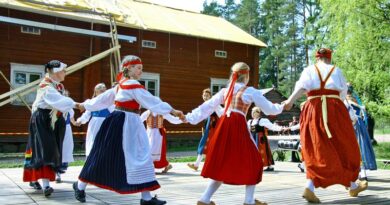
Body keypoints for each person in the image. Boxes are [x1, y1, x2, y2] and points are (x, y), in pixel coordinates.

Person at [73, 55, 184, 205]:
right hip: (125, 124)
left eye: (141, 69)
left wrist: (85, 105)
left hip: (126, 123)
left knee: (106, 156)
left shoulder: (122, 85)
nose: (141, 71)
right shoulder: (130, 84)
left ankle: (146, 197)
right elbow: (151, 101)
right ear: (128, 68)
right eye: (138, 68)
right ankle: (80, 185)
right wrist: (172, 110)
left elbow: (103, 99)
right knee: (139, 155)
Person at [186, 62, 285, 205]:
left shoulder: (225, 91)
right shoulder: (249, 91)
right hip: (238, 126)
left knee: (221, 162)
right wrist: (282, 106)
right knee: (255, 162)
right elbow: (270, 110)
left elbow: (206, 107)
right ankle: (249, 200)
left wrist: (189, 117)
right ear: (246, 75)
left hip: (224, 126)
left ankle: (205, 199)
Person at [284, 48, 367, 203]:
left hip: (313, 109)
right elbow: (343, 95)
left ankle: (313, 186)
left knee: (315, 147)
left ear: (317, 58)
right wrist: (350, 115)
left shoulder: (309, 70)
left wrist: (289, 101)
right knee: (344, 146)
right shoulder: (336, 71)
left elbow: (301, 87)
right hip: (335, 109)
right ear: (329, 58)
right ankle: (351, 184)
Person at [23, 60, 81, 196]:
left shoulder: (58, 86)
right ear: (55, 72)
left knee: (51, 149)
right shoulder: (46, 86)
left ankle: (41, 181)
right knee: (45, 149)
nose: (65, 72)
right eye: (63, 70)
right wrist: (78, 105)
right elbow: (59, 101)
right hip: (43, 119)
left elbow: (62, 104)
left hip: (52, 119)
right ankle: (46, 185)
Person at [187, 88, 223, 171]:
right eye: (204, 95)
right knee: (204, 145)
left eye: (207, 96)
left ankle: (212, 164)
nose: (205, 97)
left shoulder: (214, 104)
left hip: (214, 127)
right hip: (208, 127)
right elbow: (203, 118)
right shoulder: (204, 105)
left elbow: (221, 114)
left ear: (210, 96)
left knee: (213, 146)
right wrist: (204, 128)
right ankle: (197, 164)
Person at [346, 85, 377, 181]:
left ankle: (360, 172)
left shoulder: (348, 100)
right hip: (360, 124)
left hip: (354, 124)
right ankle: (360, 171)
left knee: (356, 147)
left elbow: (351, 106)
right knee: (360, 146)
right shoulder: (353, 99)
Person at [76, 83, 114, 157]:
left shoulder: (110, 103)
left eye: (104, 91)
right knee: (93, 142)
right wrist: (80, 120)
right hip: (94, 126)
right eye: (100, 91)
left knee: (105, 142)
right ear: (96, 92)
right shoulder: (91, 102)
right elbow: (87, 114)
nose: (103, 93)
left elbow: (114, 114)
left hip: (106, 124)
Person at [247, 107, 287, 172]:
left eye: (254, 112)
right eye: (252, 112)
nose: (252, 114)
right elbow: (247, 130)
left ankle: (269, 166)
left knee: (263, 151)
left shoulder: (262, 120)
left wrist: (281, 128)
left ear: (258, 113)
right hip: (252, 138)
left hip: (260, 139)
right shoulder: (250, 122)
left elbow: (272, 126)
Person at [56, 90, 77, 183]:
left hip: (67, 129)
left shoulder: (70, 109)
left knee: (66, 148)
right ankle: (56, 171)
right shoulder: (56, 107)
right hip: (58, 129)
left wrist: (78, 122)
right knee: (57, 148)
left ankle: (61, 167)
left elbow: (72, 120)